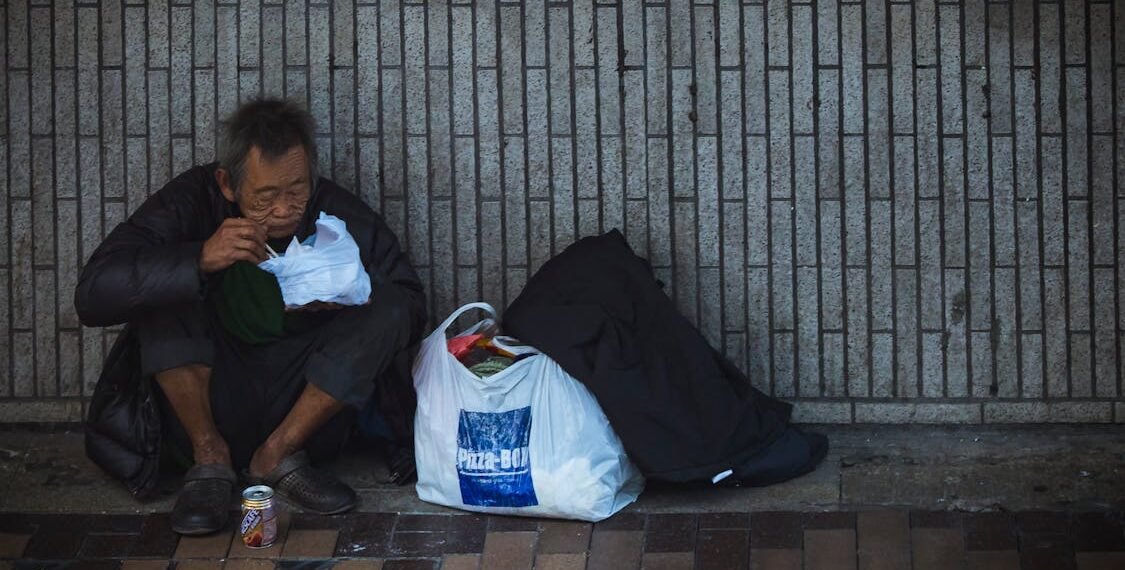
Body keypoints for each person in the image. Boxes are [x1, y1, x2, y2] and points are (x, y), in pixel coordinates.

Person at [75, 98, 426, 535]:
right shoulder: (191, 201)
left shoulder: (328, 207)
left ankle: (278, 454)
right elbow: (92, 294)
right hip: (210, 394)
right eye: (265, 196)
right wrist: (197, 258)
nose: (283, 209)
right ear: (228, 184)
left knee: (386, 304)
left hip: (300, 400)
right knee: (165, 284)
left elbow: (409, 300)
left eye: (296, 190)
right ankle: (210, 459)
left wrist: (348, 294)